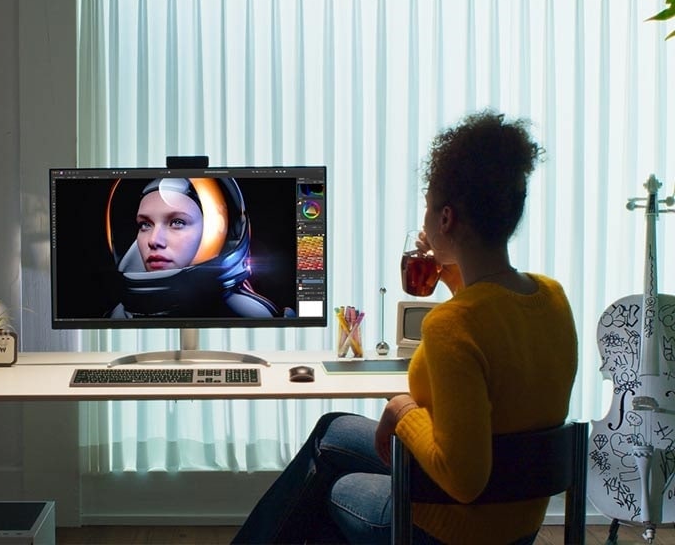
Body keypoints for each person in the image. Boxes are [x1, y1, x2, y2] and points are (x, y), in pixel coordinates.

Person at [232, 110, 578, 544]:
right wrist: (456, 279)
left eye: (429, 208)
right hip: (518, 522)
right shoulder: (552, 297)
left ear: (446, 219)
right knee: (332, 431)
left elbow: (463, 479)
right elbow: (494, 341)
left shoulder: (452, 325)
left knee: (331, 491)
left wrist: (400, 410)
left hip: (453, 527)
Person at [108, 177, 288, 318]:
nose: (154, 240)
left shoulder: (253, 315)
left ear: (221, 233)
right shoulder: (118, 316)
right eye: (145, 225)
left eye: (177, 222)